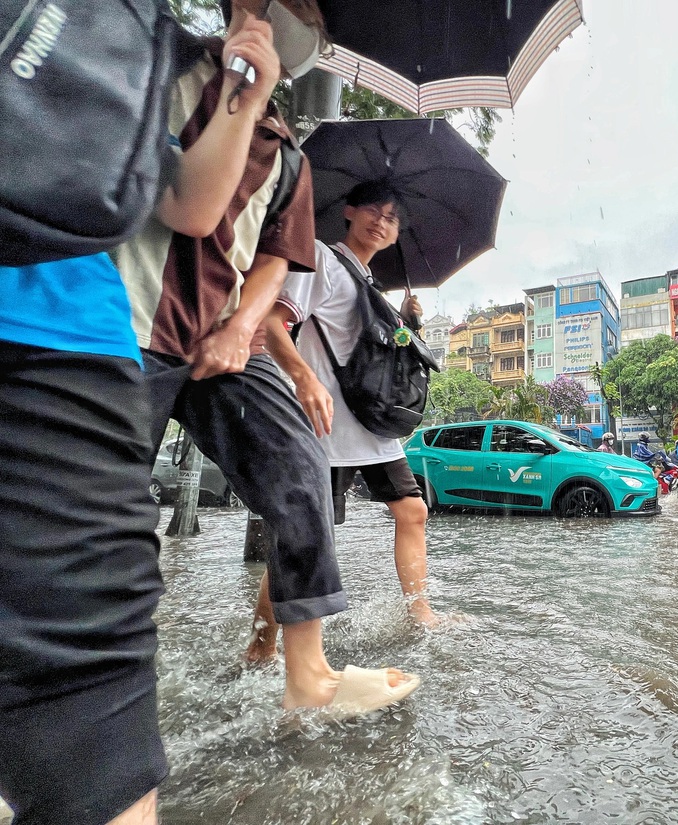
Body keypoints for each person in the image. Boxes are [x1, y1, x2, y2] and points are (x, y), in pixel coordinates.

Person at [0, 11, 288, 823]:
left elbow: (192, 205)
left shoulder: (126, 34)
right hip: (106, 346)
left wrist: (246, 87)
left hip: (62, 346)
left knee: (95, 724)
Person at [114, 0, 417, 714]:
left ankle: (305, 670)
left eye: (312, 15)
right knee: (85, 517)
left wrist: (240, 326)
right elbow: (178, 204)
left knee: (301, 469)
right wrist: (237, 95)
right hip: (119, 319)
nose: (298, 20)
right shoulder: (158, 65)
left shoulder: (290, 159)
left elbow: (276, 262)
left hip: (221, 334)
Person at [244, 181, 443, 664]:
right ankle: (263, 641)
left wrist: (408, 322)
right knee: (307, 535)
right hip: (325, 423)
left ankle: (421, 611)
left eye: (393, 218)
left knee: (412, 512)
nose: (382, 222)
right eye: (374, 210)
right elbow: (271, 324)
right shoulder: (318, 259)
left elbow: (375, 350)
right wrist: (303, 379)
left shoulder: (373, 286)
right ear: (349, 212)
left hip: (372, 427)